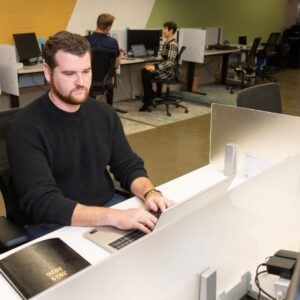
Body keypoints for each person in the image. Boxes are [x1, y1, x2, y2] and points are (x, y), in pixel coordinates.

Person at [7, 31, 173, 238]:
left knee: (166, 240)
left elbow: (127, 164)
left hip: (108, 208)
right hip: (54, 224)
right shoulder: (25, 127)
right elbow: (44, 202)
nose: (80, 82)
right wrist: (114, 217)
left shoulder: (104, 114)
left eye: (86, 71)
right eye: (69, 74)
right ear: (48, 72)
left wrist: (150, 192)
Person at [139, 21, 179, 112]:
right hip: (164, 69)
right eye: (163, 28)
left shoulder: (172, 44)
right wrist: (153, 65)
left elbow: (170, 62)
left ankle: (148, 100)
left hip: (168, 72)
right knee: (144, 71)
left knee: (147, 74)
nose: (163, 30)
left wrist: (155, 67)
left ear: (171, 30)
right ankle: (151, 95)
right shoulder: (166, 42)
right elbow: (163, 59)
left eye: (165, 29)